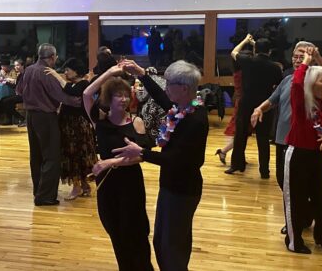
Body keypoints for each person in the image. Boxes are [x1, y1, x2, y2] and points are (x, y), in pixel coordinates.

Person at [113, 59, 208, 271]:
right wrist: (141, 74)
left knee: (171, 246)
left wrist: (142, 153)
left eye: (169, 84)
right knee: (166, 242)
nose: (166, 88)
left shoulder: (194, 119)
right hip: (172, 187)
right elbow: (161, 97)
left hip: (183, 190)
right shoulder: (184, 107)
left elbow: (178, 160)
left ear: (183, 88)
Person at [251, 41, 322, 234]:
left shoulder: (314, 81)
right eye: (295, 56)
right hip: (282, 138)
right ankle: (298, 216)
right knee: (282, 180)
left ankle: (298, 218)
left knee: (302, 183)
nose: (297, 59)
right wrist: (259, 108)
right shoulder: (287, 80)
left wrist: (316, 56)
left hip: (303, 141)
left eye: (302, 56)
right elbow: (273, 99)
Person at [84, 64, 153, 271]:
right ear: (108, 98)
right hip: (107, 183)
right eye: (118, 96)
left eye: (126, 95)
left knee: (135, 230)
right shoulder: (101, 122)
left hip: (130, 181)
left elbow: (141, 156)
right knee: (114, 228)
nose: (123, 99)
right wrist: (110, 73)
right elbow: (87, 94)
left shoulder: (136, 122)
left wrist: (110, 162)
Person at [283, 47, 322, 254]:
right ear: (312, 83)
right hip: (297, 154)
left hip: (316, 156)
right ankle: (294, 242)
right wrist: (306, 62)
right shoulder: (301, 103)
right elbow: (297, 83)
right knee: (296, 200)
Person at [16, 43, 81, 206]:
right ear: (52, 57)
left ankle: (38, 190)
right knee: (51, 156)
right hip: (45, 116)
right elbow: (61, 96)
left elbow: (19, 90)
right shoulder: (46, 72)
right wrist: (80, 101)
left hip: (30, 116)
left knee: (36, 155)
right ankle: (45, 196)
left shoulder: (29, 69)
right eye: (56, 57)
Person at [225, 34, 282, 179]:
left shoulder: (248, 61)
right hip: (264, 106)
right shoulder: (275, 67)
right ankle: (264, 171)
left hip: (246, 103)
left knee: (241, 136)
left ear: (256, 49)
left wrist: (246, 41)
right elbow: (278, 86)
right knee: (263, 139)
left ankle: (237, 165)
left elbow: (234, 52)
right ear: (270, 51)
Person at [45, 58, 97, 200]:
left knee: (75, 155)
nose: (66, 72)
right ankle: (84, 186)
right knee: (76, 155)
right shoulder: (75, 84)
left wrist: (56, 75)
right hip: (70, 124)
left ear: (76, 71)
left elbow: (72, 92)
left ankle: (77, 187)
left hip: (76, 126)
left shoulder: (83, 83)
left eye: (68, 70)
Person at [215, 50, 252, 165]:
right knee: (241, 133)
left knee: (243, 133)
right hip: (243, 104)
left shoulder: (238, 71)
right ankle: (223, 151)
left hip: (241, 103)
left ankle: (239, 156)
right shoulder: (243, 73)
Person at [0, 59, 25, 126]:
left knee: (5, 101)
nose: (16, 67)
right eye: (15, 65)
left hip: (24, 95)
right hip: (19, 94)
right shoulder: (19, 74)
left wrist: (5, 81)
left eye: (18, 65)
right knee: (3, 99)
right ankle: (9, 119)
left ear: (22, 66)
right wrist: (5, 82)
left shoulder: (25, 74)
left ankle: (22, 118)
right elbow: (15, 86)